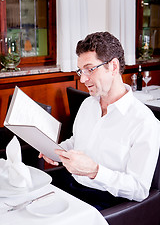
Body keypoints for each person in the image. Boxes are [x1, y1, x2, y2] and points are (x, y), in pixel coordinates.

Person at [39, 31, 160, 211]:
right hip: (71, 187)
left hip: (109, 205)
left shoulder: (144, 122)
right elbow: (77, 142)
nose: (82, 79)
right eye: (81, 71)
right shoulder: (88, 104)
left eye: (89, 69)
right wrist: (58, 150)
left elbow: (139, 189)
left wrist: (95, 171)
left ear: (112, 66)